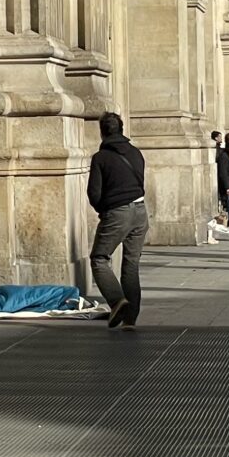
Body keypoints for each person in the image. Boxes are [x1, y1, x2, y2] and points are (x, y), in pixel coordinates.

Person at [86, 111, 149, 330]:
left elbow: (94, 193)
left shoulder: (100, 158)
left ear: (102, 132)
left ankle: (116, 301)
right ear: (122, 129)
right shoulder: (136, 153)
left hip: (117, 212)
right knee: (131, 264)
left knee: (99, 258)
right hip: (140, 211)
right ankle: (130, 320)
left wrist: (104, 210)